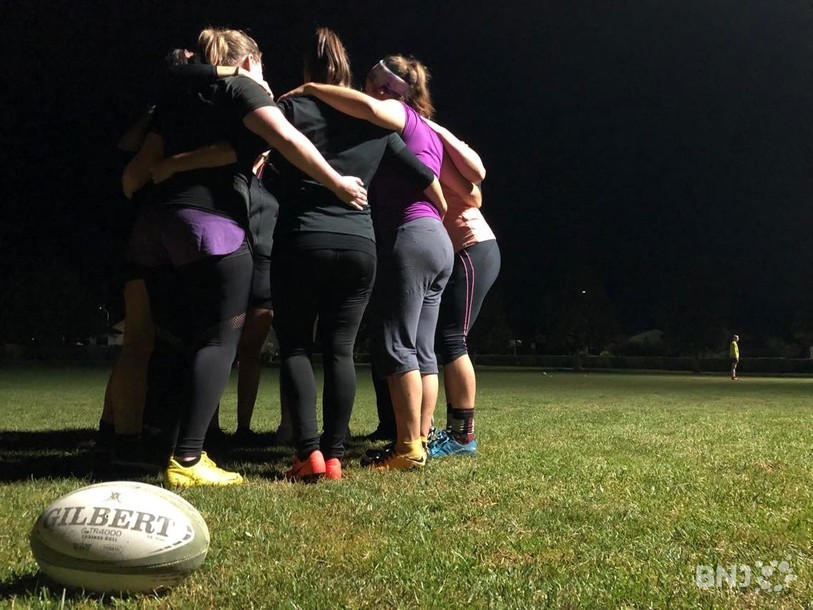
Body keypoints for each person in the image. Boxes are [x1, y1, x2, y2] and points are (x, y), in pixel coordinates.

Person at [124, 27, 367, 488]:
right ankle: (188, 459)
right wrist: (337, 182)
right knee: (219, 342)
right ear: (250, 61)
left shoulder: (178, 96)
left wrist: (151, 177)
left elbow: (137, 170)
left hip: (156, 226)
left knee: (176, 340)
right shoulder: (243, 87)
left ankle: (160, 444)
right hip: (212, 223)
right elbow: (289, 139)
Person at [270, 29, 446, 481]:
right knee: (340, 351)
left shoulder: (292, 106)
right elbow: (425, 175)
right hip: (359, 245)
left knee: (294, 346)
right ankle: (334, 457)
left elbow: (258, 163)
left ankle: (306, 454)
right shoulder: (376, 125)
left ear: (310, 73)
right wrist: (441, 213)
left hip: (302, 237)